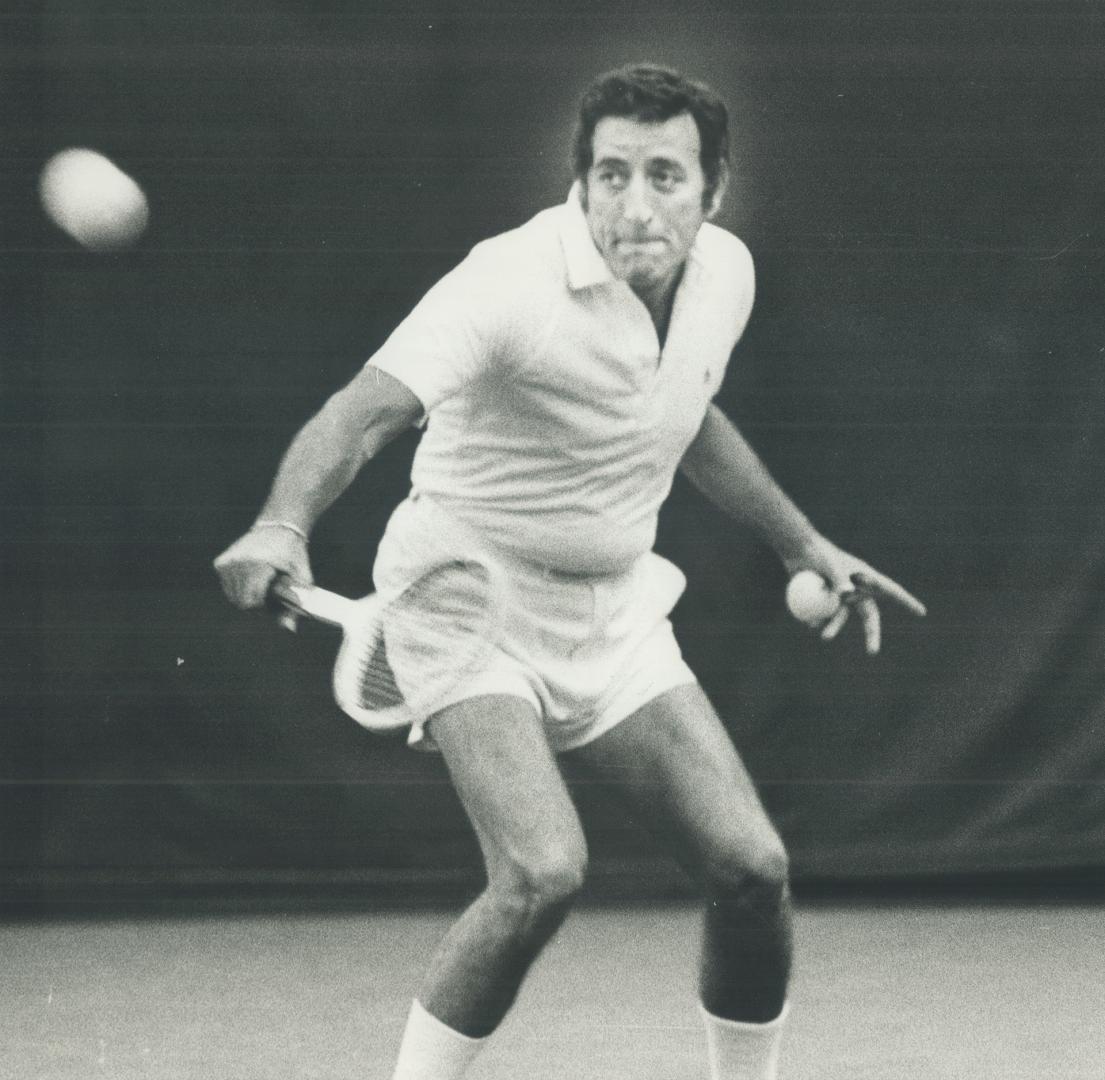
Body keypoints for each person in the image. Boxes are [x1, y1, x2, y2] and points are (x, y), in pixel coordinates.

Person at [214, 63, 926, 1080]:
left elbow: (685, 412)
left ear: (714, 191)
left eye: (666, 178)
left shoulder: (724, 275)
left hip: (615, 610)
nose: (636, 206)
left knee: (751, 869)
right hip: (462, 597)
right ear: (579, 182)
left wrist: (801, 543)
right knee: (540, 873)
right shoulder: (506, 286)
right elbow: (358, 413)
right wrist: (284, 524)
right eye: (612, 174)